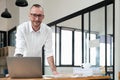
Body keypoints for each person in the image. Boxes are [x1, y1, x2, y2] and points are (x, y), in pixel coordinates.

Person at [14, 4, 58, 75]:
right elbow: (20, 49)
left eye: (39, 15)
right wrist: (15, 69)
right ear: (29, 15)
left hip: (36, 65)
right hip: (22, 63)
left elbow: (49, 52)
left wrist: (54, 71)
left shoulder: (47, 30)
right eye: (34, 15)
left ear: (43, 17)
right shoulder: (22, 28)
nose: (37, 19)